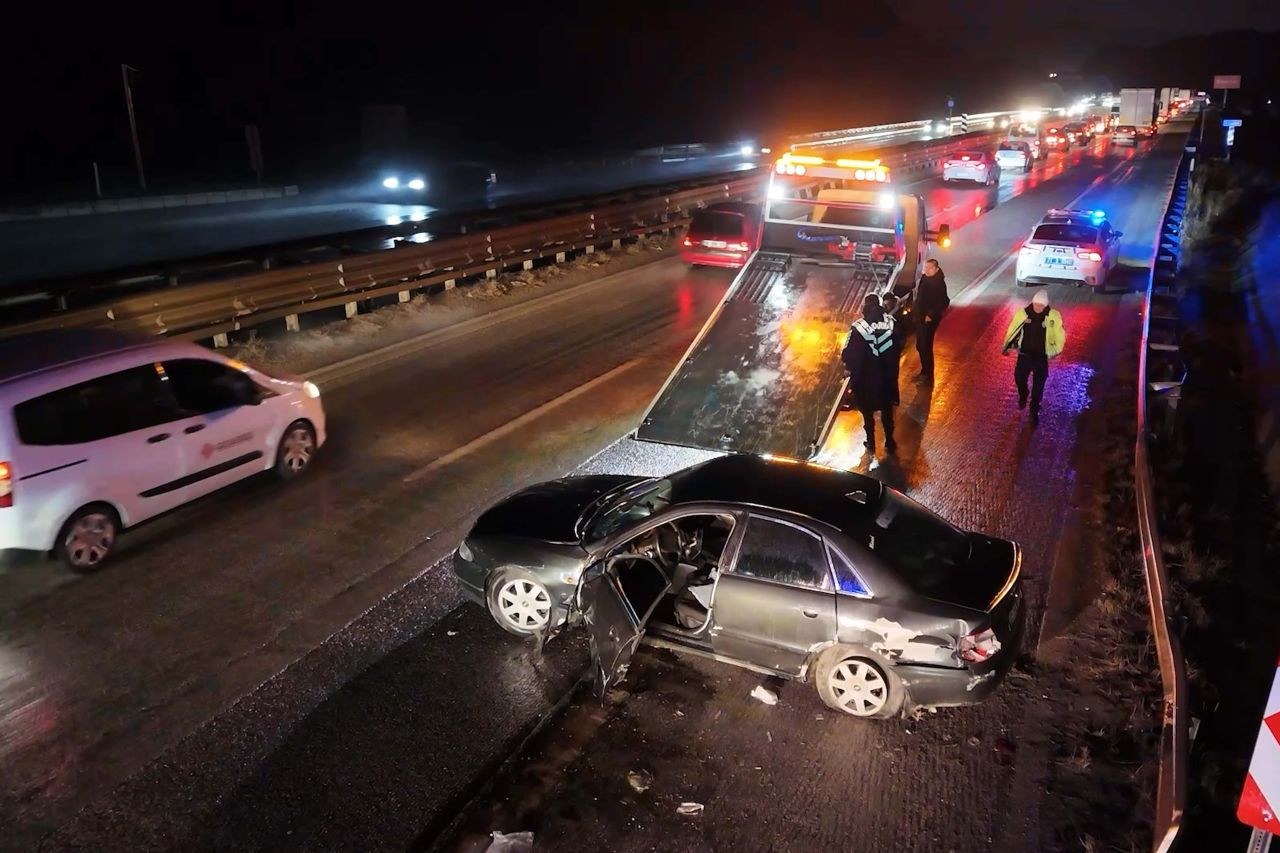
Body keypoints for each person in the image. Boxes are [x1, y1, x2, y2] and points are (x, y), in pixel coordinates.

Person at [842, 293, 900, 454]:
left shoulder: (858, 327)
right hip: (887, 378)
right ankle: (889, 440)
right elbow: (899, 345)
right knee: (887, 411)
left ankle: (871, 442)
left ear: (865, 307)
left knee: (867, 414)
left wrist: (850, 368)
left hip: (866, 380)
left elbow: (848, 353)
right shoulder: (890, 323)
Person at [1002, 289, 1066, 426]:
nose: (1037, 307)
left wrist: (1055, 351)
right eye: (1036, 304)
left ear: (1045, 305)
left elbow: (1060, 336)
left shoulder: (1053, 316)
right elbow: (1012, 329)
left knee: (1038, 387)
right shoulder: (1023, 314)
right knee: (1019, 378)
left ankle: (1034, 411)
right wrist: (1006, 346)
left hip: (1041, 358)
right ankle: (1023, 394)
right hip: (1024, 355)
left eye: (1040, 305)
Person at [914, 258, 949, 381]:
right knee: (920, 345)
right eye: (926, 267)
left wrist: (931, 315)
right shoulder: (925, 279)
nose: (927, 270)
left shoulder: (938, 283)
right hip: (920, 316)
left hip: (928, 320)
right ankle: (924, 371)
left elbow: (943, 302)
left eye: (930, 268)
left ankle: (928, 375)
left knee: (925, 346)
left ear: (936, 269)